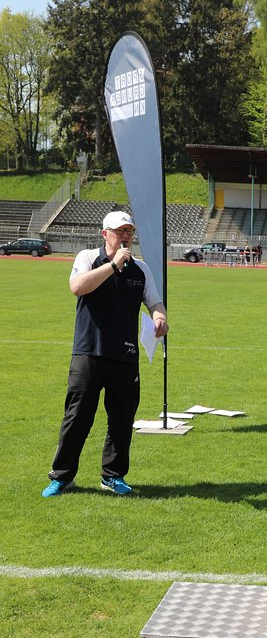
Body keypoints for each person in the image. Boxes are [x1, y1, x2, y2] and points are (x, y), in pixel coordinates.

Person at [42, 210, 169, 497]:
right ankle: (62, 477)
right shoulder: (88, 258)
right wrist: (113, 265)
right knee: (77, 417)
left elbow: (155, 303)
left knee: (122, 418)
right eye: (119, 231)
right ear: (105, 234)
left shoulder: (141, 269)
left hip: (125, 355)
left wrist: (160, 318)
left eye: (129, 231)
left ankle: (112, 476)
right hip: (89, 351)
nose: (125, 236)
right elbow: (77, 287)